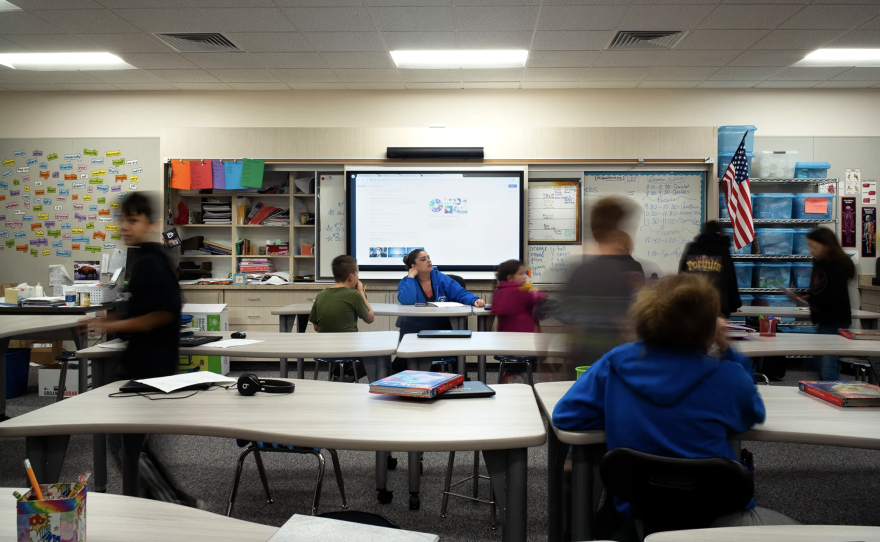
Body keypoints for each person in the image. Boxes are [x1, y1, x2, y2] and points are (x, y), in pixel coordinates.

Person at [553, 274, 796, 537]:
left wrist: (619, 414)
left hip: (640, 509)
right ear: (709, 330)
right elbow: (752, 415)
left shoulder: (615, 363)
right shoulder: (728, 375)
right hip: (716, 511)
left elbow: (566, 416)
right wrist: (728, 351)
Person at [86, 192, 198, 508]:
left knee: (128, 446)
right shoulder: (148, 257)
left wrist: (110, 326)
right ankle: (157, 502)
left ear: (150, 223)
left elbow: (158, 316)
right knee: (129, 443)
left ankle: (175, 503)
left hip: (150, 367)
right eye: (122, 219)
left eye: (133, 220)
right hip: (147, 363)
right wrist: (118, 321)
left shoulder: (150, 263)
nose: (124, 226)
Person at [555, 195, 645, 379]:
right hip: (624, 368)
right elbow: (639, 327)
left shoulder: (579, 272)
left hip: (584, 370)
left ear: (595, 233)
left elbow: (570, 330)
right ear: (623, 232)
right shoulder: (634, 274)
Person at [394, 249, 485, 372]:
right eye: (423, 259)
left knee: (453, 350)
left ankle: (457, 377)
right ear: (413, 266)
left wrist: (474, 300)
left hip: (440, 327)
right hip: (414, 327)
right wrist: (411, 277)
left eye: (428, 257)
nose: (428, 260)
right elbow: (406, 300)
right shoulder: (407, 281)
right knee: (404, 361)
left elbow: (459, 293)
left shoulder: (441, 278)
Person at [786, 228, 855, 380]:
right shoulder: (819, 262)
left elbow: (832, 295)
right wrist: (802, 297)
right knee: (818, 362)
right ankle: (824, 392)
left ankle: (832, 396)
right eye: (809, 246)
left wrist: (810, 299)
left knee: (827, 365)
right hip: (823, 318)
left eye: (814, 247)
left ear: (827, 246)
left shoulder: (837, 264)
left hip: (835, 320)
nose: (811, 250)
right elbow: (819, 289)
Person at [309, 255, 374, 381]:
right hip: (349, 349)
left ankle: (339, 373)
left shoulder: (321, 295)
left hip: (325, 349)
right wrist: (361, 292)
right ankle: (347, 376)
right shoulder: (354, 295)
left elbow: (316, 327)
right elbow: (370, 318)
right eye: (357, 273)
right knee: (376, 359)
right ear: (351, 276)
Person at [491, 259, 547, 382]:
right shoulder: (519, 292)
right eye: (521, 273)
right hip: (523, 344)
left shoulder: (498, 291)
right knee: (532, 362)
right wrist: (536, 293)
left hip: (505, 345)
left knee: (515, 365)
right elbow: (538, 299)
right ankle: (513, 377)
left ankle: (511, 375)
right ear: (510, 277)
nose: (525, 277)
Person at [678, 220, 741, 318]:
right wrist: (734, 305)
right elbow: (730, 279)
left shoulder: (692, 248)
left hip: (693, 305)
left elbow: (681, 276)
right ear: (719, 232)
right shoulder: (723, 250)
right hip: (717, 307)